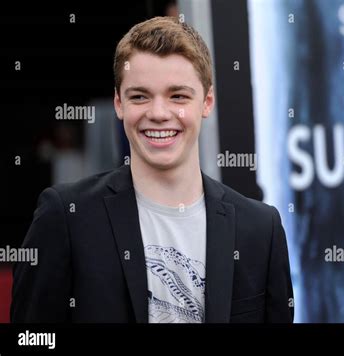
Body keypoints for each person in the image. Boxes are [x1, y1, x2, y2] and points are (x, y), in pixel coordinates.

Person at [10, 16, 293, 323]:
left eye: (178, 96)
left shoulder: (261, 229)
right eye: (140, 96)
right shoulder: (66, 217)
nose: (158, 113)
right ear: (119, 103)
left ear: (207, 102)